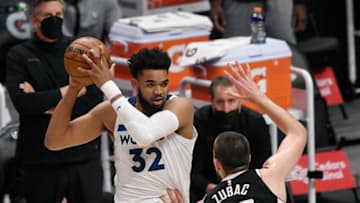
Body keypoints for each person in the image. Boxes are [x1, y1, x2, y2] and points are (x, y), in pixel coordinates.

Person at [45, 47, 197, 203]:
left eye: (164, 84)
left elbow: (145, 134)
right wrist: (73, 88)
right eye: (150, 85)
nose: (158, 91)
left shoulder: (181, 107)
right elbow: (55, 141)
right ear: (135, 85)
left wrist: (107, 85)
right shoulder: (112, 113)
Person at [5, 0, 104, 202]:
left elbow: (94, 100)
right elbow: (24, 104)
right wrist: (71, 91)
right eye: (47, 16)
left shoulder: (80, 50)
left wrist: (45, 104)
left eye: (58, 14)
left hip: (83, 156)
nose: (55, 20)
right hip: (40, 160)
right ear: (34, 20)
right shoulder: (19, 55)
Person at [200, 62, 307, 202]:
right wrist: (258, 98)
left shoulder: (208, 199)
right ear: (249, 158)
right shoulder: (270, 177)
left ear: (217, 163)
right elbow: (298, 133)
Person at [190, 76, 271, 202]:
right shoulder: (199, 121)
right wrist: (216, 191)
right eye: (220, 102)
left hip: (250, 185)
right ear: (211, 101)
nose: (226, 108)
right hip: (209, 187)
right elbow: (193, 171)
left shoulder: (255, 122)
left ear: (240, 100)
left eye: (231, 101)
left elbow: (263, 167)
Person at [209, 0, 307, 45]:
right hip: (238, 4)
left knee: (286, 49)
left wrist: (300, 2)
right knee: (236, 50)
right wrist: (215, 3)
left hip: (279, 4)